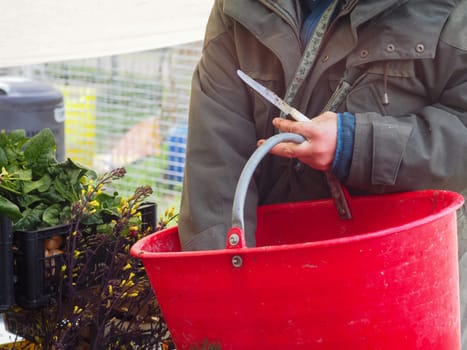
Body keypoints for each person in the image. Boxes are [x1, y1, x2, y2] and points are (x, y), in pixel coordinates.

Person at [179, 0, 467, 345]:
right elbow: (216, 159)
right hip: (274, 287)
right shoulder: (237, 7)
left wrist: (356, 144)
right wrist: (225, 306)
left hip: (401, 288)